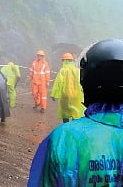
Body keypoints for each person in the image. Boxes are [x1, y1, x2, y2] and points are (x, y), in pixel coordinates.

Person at [28, 38, 123, 186]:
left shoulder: (64, 139)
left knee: (67, 116)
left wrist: (54, 92)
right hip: (74, 100)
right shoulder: (60, 68)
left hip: (67, 100)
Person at [50, 53, 85, 123]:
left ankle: (66, 127)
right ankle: (73, 128)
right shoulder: (77, 71)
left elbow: (58, 83)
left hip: (65, 96)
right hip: (76, 96)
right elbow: (82, 82)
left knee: (65, 114)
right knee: (75, 113)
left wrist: (54, 95)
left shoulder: (63, 70)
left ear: (64, 61)